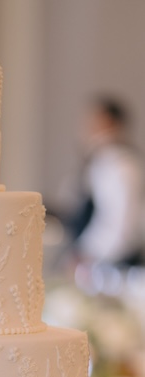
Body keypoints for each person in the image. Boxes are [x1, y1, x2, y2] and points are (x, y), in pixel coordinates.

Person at [66, 95, 145, 268]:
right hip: (97, 257)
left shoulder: (122, 166)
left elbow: (122, 225)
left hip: (113, 263)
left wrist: (87, 254)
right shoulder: (98, 163)